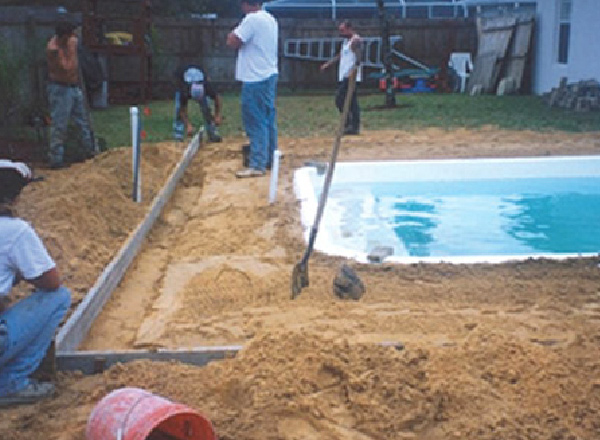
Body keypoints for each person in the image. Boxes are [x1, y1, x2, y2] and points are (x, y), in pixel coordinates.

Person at [0, 161, 71, 405]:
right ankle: (11, 383)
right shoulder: (14, 230)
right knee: (59, 298)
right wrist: (21, 272)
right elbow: (51, 282)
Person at [227, 0, 279, 178]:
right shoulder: (270, 18)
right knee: (267, 119)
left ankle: (257, 164)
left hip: (254, 77)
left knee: (255, 121)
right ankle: (270, 158)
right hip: (269, 74)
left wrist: (232, 32)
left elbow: (233, 41)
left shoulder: (251, 19)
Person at [46, 21, 96, 169]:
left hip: (74, 87)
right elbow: (67, 68)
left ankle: (90, 152)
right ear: (64, 36)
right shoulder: (53, 49)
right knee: (59, 124)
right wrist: (71, 51)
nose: (73, 37)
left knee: (83, 121)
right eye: (71, 34)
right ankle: (56, 159)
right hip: (60, 89)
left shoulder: (72, 41)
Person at [320, 20, 363, 135]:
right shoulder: (345, 42)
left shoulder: (355, 41)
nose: (341, 33)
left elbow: (359, 59)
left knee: (340, 99)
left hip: (351, 76)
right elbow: (341, 55)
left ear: (349, 29)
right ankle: (351, 126)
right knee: (350, 101)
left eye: (343, 30)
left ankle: (351, 124)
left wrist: (353, 72)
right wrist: (328, 64)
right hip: (343, 75)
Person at [173, 64, 223, 142]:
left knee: (207, 109)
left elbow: (218, 98)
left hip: (199, 74)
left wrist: (217, 115)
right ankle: (178, 135)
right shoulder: (184, 90)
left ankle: (212, 133)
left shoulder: (207, 86)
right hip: (181, 79)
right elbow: (182, 111)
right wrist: (188, 125)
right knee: (178, 108)